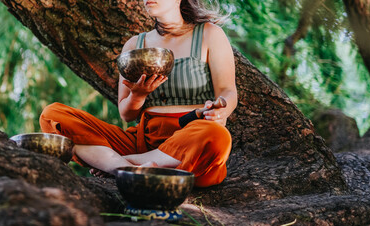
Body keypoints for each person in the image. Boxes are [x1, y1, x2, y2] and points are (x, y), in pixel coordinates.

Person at [39, 0, 237, 187]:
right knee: (53, 115)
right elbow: (126, 114)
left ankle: (119, 164)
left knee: (217, 136)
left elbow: (227, 92)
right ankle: (132, 169)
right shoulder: (135, 45)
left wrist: (221, 111)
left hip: (191, 136)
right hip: (143, 140)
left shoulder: (210, 34)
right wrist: (138, 95)